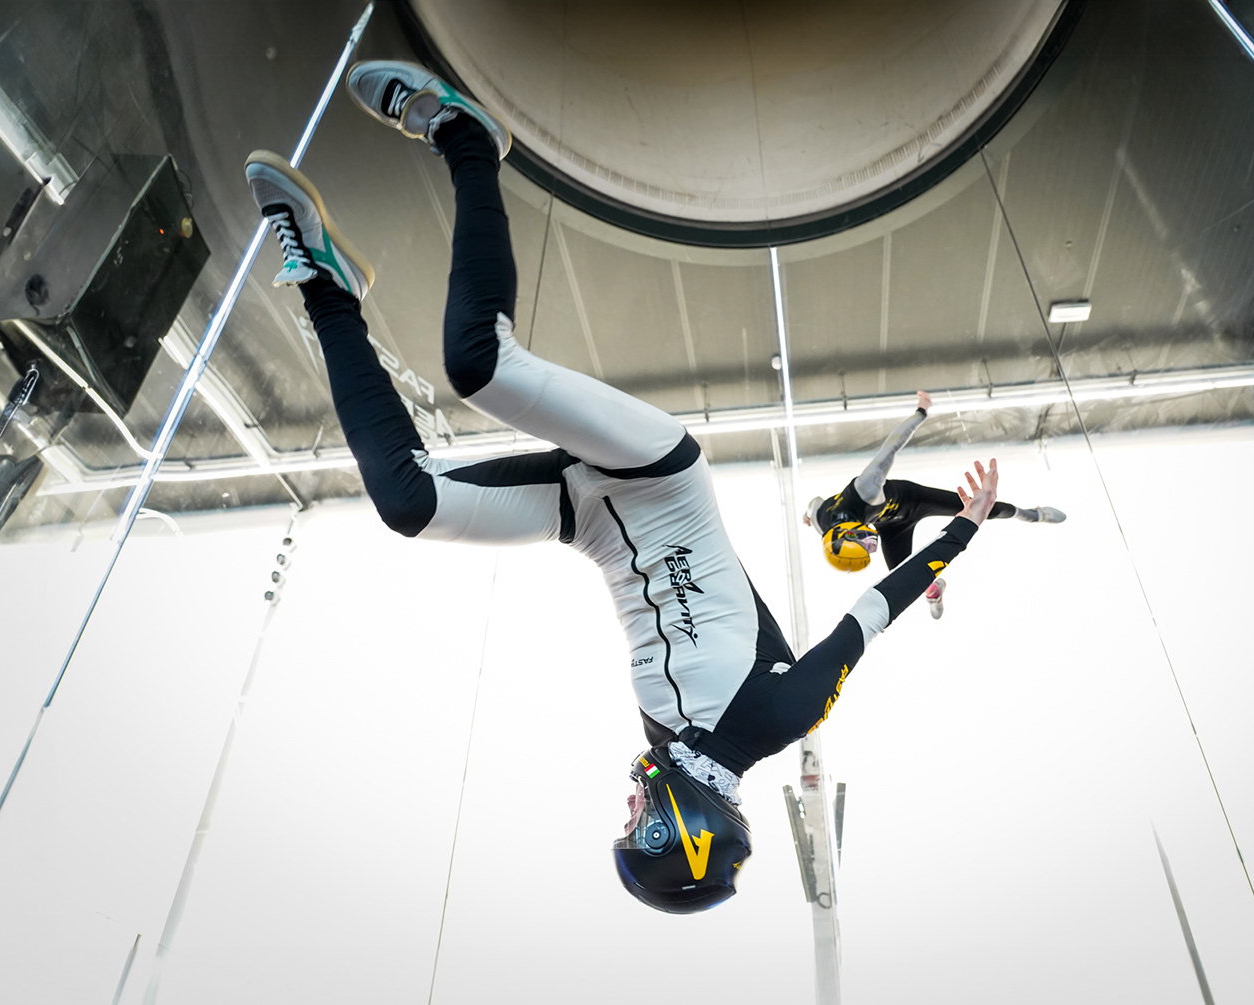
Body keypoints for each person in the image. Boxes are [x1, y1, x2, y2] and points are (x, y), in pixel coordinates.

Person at [244, 61, 1001, 914]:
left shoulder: (667, 738)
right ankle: (466, 138)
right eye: (639, 823)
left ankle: (325, 286)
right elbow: (869, 614)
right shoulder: (777, 718)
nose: (630, 804)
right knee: (479, 364)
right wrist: (962, 529)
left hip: (589, 520)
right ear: (685, 829)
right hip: (661, 479)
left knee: (408, 504)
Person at [804, 393, 1066, 618]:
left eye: (866, 542)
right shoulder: (823, 524)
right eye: (871, 547)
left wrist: (921, 411)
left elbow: (891, 446)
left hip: (914, 500)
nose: (872, 545)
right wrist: (807, 515)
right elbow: (813, 504)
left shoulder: (865, 490)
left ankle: (1032, 514)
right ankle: (933, 590)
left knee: (985, 507)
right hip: (890, 527)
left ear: (848, 532)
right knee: (905, 579)